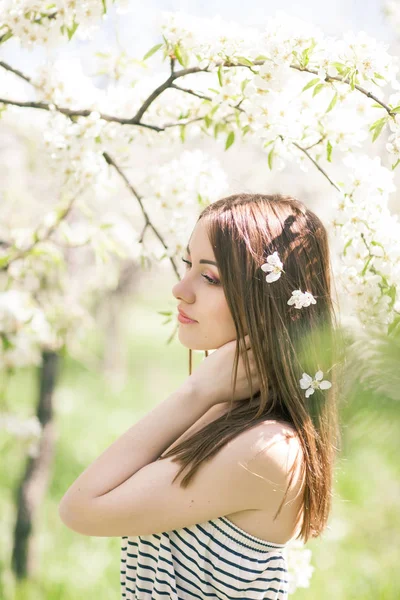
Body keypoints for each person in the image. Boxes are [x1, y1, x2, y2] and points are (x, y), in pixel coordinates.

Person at [59, 193, 341, 600]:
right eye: (187, 264)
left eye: (210, 278)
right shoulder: (228, 411)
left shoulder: (267, 449)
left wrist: (195, 392)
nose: (179, 288)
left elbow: (80, 509)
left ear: (267, 303)